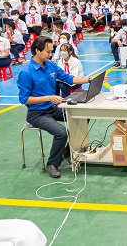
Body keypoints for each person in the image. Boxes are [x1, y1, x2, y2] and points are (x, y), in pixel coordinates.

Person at [17, 36, 92, 178]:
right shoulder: (26, 72)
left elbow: (69, 78)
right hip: (37, 114)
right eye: (47, 51)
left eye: (51, 51)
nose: (50, 54)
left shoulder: (50, 65)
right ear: (37, 51)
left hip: (52, 109)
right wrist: (48, 98)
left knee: (83, 114)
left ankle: (67, 150)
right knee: (61, 133)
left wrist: (88, 79)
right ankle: (52, 163)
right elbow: (24, 99)